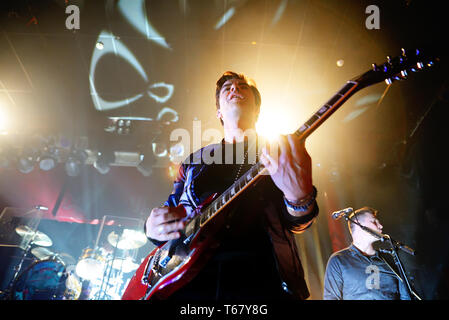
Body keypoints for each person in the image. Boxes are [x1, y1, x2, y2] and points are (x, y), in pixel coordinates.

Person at [144, 71, 319, 300]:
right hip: (187, 284)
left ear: (257, 109)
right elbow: (174, 210)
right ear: (219, 113)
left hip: (261, 281)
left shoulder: (278, 153)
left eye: (242, 87)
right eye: (228, 88)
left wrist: (300, 198)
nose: (235, 89)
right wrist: (151, 228)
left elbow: (297, 223)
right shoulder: (194, 161)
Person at [323, 207, 412, 300]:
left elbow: (406, 296)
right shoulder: (339, 260)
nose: (380, 226)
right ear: (359, 225)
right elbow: (331, 297)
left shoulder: (390, 259)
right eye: (374, 221)